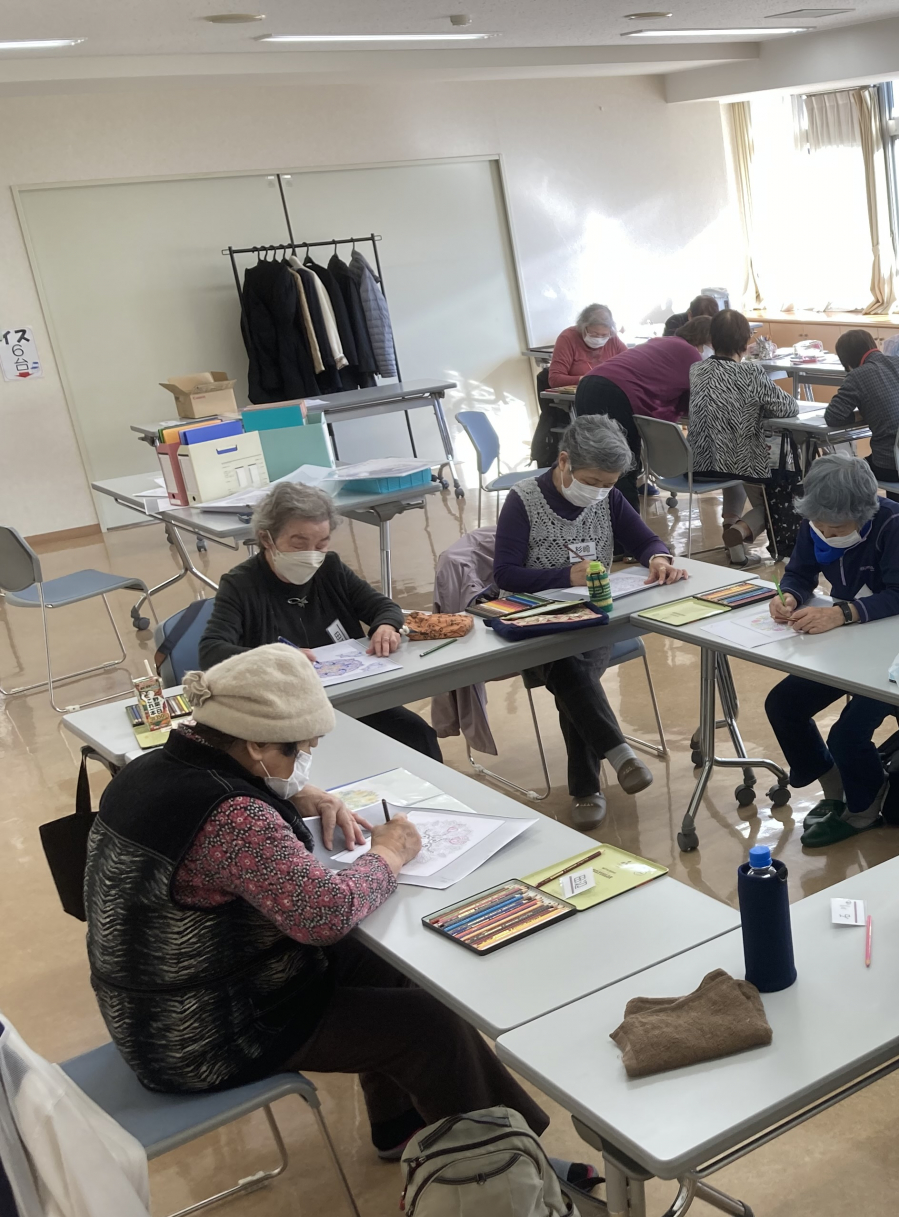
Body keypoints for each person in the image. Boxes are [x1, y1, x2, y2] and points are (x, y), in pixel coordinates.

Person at [83, 644, 563, 1169]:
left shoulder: (150, 769)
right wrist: (389, 853)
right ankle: (512, 1171)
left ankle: (402, 1124)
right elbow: (324, 915)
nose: (303, 764)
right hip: (201, 1033)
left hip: (156, 1006)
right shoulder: (235, 817)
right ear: (256, 744)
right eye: (297, 753)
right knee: (430, 1027)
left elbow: (223, 821)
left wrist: (294, 792)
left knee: (392, 969)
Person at [494, 415, 689, 828]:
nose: (600, 491)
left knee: (572, 669)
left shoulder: (609, 498)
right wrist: (565, 576)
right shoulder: (523, 499)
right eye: (593, 481)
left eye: (608, 483)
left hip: (594, 619)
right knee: (567, 663)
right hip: (535, 623)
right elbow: (505, 575)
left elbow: (646, 540)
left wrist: (658, 558)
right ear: (564, 461)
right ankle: (614, 758)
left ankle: (591, 784)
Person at [199, 482, 441, 761]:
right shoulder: (241, 585)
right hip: (283, 711)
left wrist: (386, 626)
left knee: (417, 735)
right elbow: (211, 651)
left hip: (351, 697)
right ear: (266, 539)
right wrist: (275, 658)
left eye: (321, 544)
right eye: (299, 544)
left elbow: (383, 606)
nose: (312, 555)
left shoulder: (330, 568)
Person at [763, 455, 899, 847]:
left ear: (863, 513)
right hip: (849, 640)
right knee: (783, 705)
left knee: (847, 734)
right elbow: (799, 573)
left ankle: (865, 808)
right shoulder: (816, 522)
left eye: (836, 529)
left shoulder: (892, 522)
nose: (826, 533)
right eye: (819, 527)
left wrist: (842, 613)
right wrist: (789, 596)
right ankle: (835, 786)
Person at [689, 309, 798, 564]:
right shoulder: (751, 373)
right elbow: (788, 408)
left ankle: (734, 544)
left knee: (732, 476)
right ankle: (740, 530)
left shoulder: (696, 370)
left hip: (699, 462)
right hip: (741, 462)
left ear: (712, 338)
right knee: (776, 500)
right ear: (745, 340)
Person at [575, 329, 704, 506]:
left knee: (593, 467)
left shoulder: (662, 341)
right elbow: (700, 401)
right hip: (615, 393)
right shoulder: (691, 353)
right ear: (707, 341)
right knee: (621, 468)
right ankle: (626, 523)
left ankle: (596, 520)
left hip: (588, 385)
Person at [823, 328, 899, 490]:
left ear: (847, 361)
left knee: (842, 475)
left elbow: (832, 417)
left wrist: (859, 415)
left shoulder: (858, 376)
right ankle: (897, 506)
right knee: (891, 452)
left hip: (893, 467)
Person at [547, 302, 627, 389]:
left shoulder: (612, 338)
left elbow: (631, 364)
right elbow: (555, 379)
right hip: (580, 393)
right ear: (583, 327)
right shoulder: (568, 338)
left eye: (604, 335)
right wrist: (585, 380)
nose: (599, 338)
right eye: (594, 334)